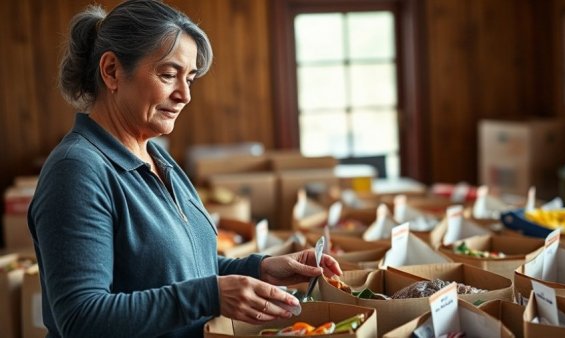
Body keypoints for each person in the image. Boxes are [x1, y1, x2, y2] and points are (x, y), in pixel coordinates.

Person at [27, 1, 342, 337]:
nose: (185, 95)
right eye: (168, 75)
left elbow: (176, 268)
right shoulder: (76, 171)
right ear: (112, 71)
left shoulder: (157, 158)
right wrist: (211, 296)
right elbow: (81, 319)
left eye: (190, 78)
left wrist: (261, 268)